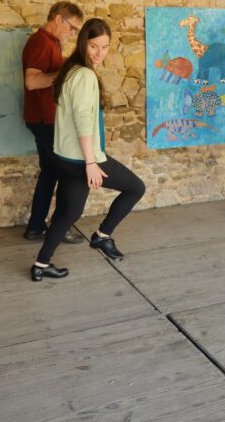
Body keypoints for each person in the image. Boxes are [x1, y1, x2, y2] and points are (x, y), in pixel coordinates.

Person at [30, 18, 146, 281]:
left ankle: (41, 263)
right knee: (135, 188)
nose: (99, 53)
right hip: (83, 157)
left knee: (68, 212)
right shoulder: (83, 75)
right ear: (83, 42)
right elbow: (83, 120)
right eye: (94, 46)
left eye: (105, 47)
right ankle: (102, 236)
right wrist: (91, 163)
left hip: (66, 157)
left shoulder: (70, 70)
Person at [22, 1, 87, 244]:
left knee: (49, 173)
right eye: (72, 28)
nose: (72, 34)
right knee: (69, 173)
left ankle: (36, 227)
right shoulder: (40, 42)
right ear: (58, 18)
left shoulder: (51, 42)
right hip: (44, 120)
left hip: (44, 119)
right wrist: (67, 72)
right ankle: (61, 227)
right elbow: (32, 82)